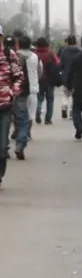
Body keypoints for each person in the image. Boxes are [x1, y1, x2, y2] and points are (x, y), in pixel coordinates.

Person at [0, 24, 25, 184]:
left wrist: (12, 91)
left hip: (5, 107)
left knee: (2, 147)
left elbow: (19, 76)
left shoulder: (10, 56)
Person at [34, 37, 59, 125]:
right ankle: (48, 119)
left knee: (39, 99)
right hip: (49, 80)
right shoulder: (50, 53)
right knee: (50, 100)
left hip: (39, 80)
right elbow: (57, 63)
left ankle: (37, 114)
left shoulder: (35, 54)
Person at [58, 35, 82, 119]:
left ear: (67, 42)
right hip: (76, 77)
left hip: (66, 75)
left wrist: (61, 73)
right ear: (75, 42)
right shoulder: (79, 52)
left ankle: (64, 107)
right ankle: (72, 111)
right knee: (73, 95)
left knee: (65, 94)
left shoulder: (64, 51)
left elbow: (61, 64)